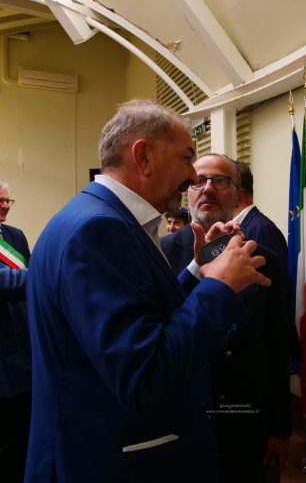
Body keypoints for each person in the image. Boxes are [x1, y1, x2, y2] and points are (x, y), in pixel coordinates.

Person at [25, 100, 270, 483]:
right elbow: (144, 375)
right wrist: (220, 287)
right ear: (143, 157)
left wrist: (199, 272)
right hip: (110, 462)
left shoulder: (93, 217)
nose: (192, 176)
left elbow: (144, 313)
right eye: (187, 158)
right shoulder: (99, 231)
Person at [161, 153, 291, 482]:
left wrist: (279, 428)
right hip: (180, 415)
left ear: (238, 194)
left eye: (220, 181)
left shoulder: (264, 259)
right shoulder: (159, 253)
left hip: (244, 418)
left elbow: (276, 344)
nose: (208, 188)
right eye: (199, 181)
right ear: (187, 191)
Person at [233, 161, 300, 365]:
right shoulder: (238, 228)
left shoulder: (261, 229)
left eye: (221, 184)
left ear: (238, 193)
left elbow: (273, 299)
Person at [0, 181, 31, 483]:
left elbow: (31, 288)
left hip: (25, 350)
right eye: (0, 201)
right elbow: (7, 282)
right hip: (2, 358)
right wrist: (49, 271)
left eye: (8, 200)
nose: (5, 206)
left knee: (23, 438)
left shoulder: (15, 236)